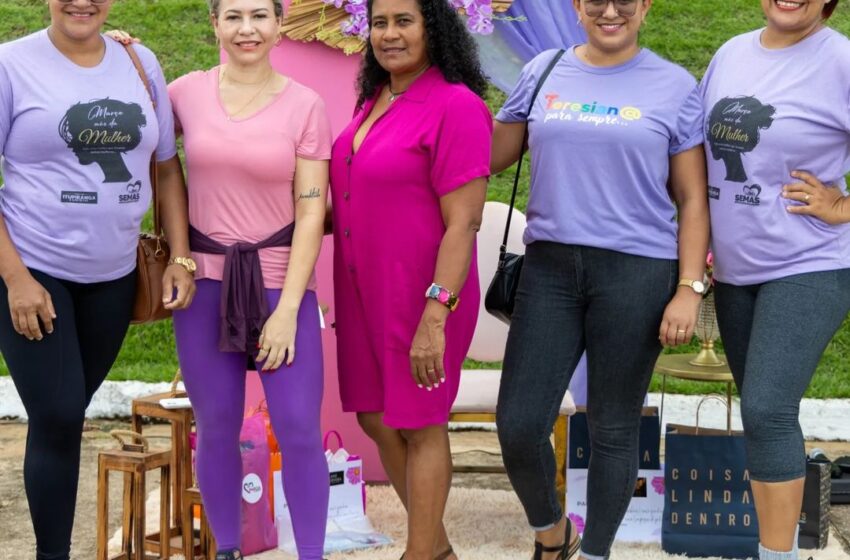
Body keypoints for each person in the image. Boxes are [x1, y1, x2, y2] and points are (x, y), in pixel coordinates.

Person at [491, 0, 710, 559]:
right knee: (518, 425)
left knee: (613, 428)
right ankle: (552, 533)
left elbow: (691, 198)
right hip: (550, 269)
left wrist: (689, 288)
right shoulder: (544, 70)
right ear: (577, 6)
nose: (610, 11)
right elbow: (489, 157)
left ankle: (595, 553)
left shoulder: (675, 85)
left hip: (636, 272)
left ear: (645, 7)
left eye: (624, 1)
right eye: (596, 1)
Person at [0, 0, 195, 557]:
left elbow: (165, 167)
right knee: (59, 412)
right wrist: (15, 279)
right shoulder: (10, 65)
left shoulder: (140, 62)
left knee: (60, 416)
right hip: (32, 268)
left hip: (112, 276)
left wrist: (179, 255)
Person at [166, 0, 332, 558]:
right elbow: (156, 160)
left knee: (300, 429)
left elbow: (311, 211)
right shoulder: (183, 93)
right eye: (233, 15)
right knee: (216, 428)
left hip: (279, 285)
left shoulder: (306, 106)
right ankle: (230, 549)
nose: (247, 29)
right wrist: (123, 51)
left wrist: (287, 309)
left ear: (279, 25)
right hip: (206, 286)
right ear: (213, 23)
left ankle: (311, 552)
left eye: (260, 15)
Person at [329, 0, 492, 558]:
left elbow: (464, 221)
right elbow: (358, 194)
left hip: (421, 294)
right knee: (377, 418)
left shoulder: (456, 105)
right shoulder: (376, 98)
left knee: (421, 424)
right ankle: (439, 547)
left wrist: (435, 312)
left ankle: (420, 552)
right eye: (380, 22)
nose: (390, 34)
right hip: (360, 290)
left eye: (405, 21)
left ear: (434, 29)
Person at [700, 1, 850, 558]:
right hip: (736, 270)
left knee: (767, 408)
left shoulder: (840, 61)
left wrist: (842, 205)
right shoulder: (731, 53)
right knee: (760, 417)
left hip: (808, 263)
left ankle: (777, 556)